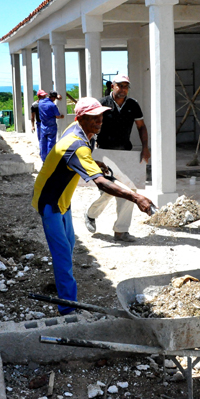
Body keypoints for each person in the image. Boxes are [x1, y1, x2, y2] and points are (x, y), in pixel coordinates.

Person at [32, 97, 154, 315]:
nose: (99, 121)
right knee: (62, 257)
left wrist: (94, 163)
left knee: (68, 247)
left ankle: (67, 299)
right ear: (80, 118)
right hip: (50, 202)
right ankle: (68, 310)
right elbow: (101, 182)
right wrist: (136, 198)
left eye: (100, 116)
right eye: (93, 117)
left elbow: (70, 158)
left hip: (63, 200)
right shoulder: (77, 144)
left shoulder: (81, 133)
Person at [84, 74, 151, 242]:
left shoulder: (132, 105)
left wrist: (145, 148)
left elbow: (141, 127)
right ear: (112, 86)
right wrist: (88, 151)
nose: (123, 89)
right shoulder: (102, 104)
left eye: (126, 86)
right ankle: (91, 214)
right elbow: (91, 127)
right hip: (105, 154)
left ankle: (121, 231)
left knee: (130, 190)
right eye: (120, 86)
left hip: (125, 154)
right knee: (109, 191)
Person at [38, 91, 65, 161]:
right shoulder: (52, 105)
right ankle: (49, 160)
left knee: (43, 143)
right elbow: (57, 116)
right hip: (51, 127)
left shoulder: (40, 102)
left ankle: (43, 159)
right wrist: (62, 116)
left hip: (43, 126)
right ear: (53, 98)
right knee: (51, 144)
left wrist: (56, 97)